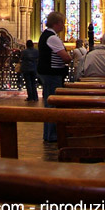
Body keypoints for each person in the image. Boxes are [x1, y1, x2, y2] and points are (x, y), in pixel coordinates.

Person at [38, 11, 71, 142]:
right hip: (52, 74)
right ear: (57, 23)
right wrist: (70, 57)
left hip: (51, 74)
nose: (64, 25)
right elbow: (66, 58)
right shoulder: (52, 37)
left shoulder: (47, 35)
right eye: (62, 23)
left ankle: (49, 134)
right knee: (52, 104)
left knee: (50, 103)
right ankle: (51, 135)